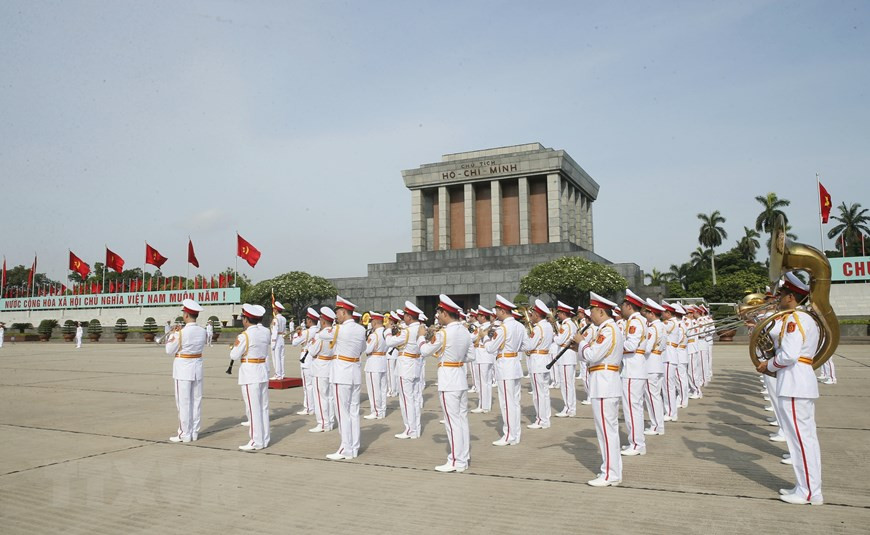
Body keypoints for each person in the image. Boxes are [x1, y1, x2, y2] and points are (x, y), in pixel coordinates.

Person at [758, 272, 824, 505]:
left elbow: (789, 355)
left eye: (783, 294)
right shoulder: (802, 317)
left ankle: (809, 492)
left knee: (801, 440)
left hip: (795, 382)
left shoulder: (795, 319)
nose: (779, 298)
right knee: (803, 439)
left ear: (791, 297)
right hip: (798, 381)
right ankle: (806, 487)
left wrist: (768, 365)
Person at [575, 292, 625, 487]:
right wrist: (579, 347)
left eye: (593, 311)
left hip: (604, 383)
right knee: (606, 430)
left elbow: (592, 355)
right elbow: (589, 354)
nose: (591, 315)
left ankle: (610, 474)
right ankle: (611, 471)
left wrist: (581, 342)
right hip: (603, 382)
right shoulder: (607, 329)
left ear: (601, 311)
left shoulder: (608, 330)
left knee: (606, 431)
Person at [421, 294, 473, 472]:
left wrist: (421, 338)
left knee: (452, 422)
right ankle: (464, 456)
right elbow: (471, 356)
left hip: (448, 379)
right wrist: (455, 358)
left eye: (439, 313)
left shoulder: (443, 333)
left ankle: (456, 461)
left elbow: (425, 351)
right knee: (461, 420)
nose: (438, 317)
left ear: (445, 313)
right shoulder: (465, 331)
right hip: (460, 376)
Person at [317, 296, 366, 460]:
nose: (336, 316)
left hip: (341, 374)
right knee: (353, 412)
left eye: (337, 313)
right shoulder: (361, 329)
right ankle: (354, 447)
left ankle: (345, 448)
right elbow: (363, 347)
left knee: (342, 412)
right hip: (354, 372)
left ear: (344, 312)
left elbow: (322, 334)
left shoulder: (338, 330)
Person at [229, 304, 272, 451]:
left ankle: (256, 441)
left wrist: (235, 345)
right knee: (263, 407)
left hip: (250, 372)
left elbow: (234, 355)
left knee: (254, 409)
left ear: (246, 319)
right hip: (262, 370)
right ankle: (264, 438)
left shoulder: (245, 335)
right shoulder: (265, 332)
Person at [165, 299, 207, 443]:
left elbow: (169, 350)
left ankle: (184, 433)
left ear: (186, 315)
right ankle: (194, 432)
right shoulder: (202, 331)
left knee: (183, 402)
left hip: (183, 369)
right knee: (196, 401)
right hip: (197, 368)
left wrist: (173, 334)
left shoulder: (180, 333)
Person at [485, 294, 525, 446]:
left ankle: (509, 435)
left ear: (502, 311)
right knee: (515, 402)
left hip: (505, 366)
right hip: (515, 364)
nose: (496, 313)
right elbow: (527, 345)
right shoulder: (520, 326)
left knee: (507, 403)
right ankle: (516, 434)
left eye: (497, 310)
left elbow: (490, 348)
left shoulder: (503, 328)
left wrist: (485, 337)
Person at [387, 301, 425, 439]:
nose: (403, 318)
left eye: (405, 315)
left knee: (406, 400)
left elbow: (389, 342)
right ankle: (416, 428)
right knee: (414, 399)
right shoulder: (421, 328)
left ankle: (410, 429)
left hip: (405, 367)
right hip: (415, 364)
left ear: (409, 317)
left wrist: (388, 331)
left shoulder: (407, 331)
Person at [620, 289, 649, 456]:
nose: (621, 309)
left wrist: (614, 344)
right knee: (633, 407)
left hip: (633, 367)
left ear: (629, 306)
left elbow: (630, 346)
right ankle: (636, 442)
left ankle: (637, 444)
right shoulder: (639, 320)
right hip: (635, 366)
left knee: (632, 408)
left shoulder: (634, 322)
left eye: (623, 306)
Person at [521, 299, 553, 430]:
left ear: (537, 315)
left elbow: (529, 345)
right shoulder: (548, 326)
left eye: (532, 314)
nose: (531, 316)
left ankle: (541, 420)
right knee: (544, 392)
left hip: (537, 361)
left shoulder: (538, 328)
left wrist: (521, 342)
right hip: (545, 359)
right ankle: (546, 419)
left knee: (538, 393)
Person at [308, 307, 336, 433]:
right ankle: (330, 421)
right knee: (330, 396)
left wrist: (310, 343)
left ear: (323, 321)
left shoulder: (320, 335)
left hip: (320, 367)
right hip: (331, 365)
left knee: (320, 397)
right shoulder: (335, 333)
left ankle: (323, 423)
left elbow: (312, 351)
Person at [642, 299, 667, 436]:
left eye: (647, 313)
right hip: (658, 361)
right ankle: (658, 424)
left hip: (650, 364)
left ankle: (656, 426)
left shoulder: (653, 328)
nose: (645, 315)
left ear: (652, 313)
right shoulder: (662, 326)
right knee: (656, 396)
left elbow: (647, 348)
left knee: (652, 397)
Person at [291, 307, 320, 416]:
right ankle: (314, 406)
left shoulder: (307, 332)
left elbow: (294, 343)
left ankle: (308, 408)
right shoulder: (319, 331)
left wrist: (297, 333)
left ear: (309, 320)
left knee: (307, 385)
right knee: (314, 384)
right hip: (316, 359)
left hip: (306, 359)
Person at [552, 301, 579, 416]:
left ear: (563, 313)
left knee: (566, 384)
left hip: (565, 356)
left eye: (559, 313)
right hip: (569, 356)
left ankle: (569, 408)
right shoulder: (571, 324)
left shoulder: (566, 325)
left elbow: (559, 341)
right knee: (569, 384)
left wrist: (554, 335)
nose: (558, 315)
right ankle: (570, 408)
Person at [470, 307, 496, 414]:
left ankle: (482, 406)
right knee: (487, 382)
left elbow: (472, 338)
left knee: (482, 382)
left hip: (482, 356)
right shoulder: (488, 327)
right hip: (487, 356)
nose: (477, 318)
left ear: (483, 317)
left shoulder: (485, 328)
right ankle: (486, 406)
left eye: (479, 316)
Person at [364, 311, 388, 420]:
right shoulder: (386, 333)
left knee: (374, 389)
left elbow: (367, 349)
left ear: (374, 322)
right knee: (382, 388)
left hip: (373, 362)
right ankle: (382, 411)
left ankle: (376, 412)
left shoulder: (374, 335)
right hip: (383, 360)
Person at [270, 301, 288, 380]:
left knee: (276, 357)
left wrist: (273, 342)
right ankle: (282, 373)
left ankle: (277, 374)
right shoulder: (284, 318)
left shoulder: (276, 319)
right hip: (281, 337)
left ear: (276, 310)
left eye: (274, 309)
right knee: (281, 357)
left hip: (276, 338)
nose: (273, 310)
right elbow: (284, 330)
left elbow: (275, 331)